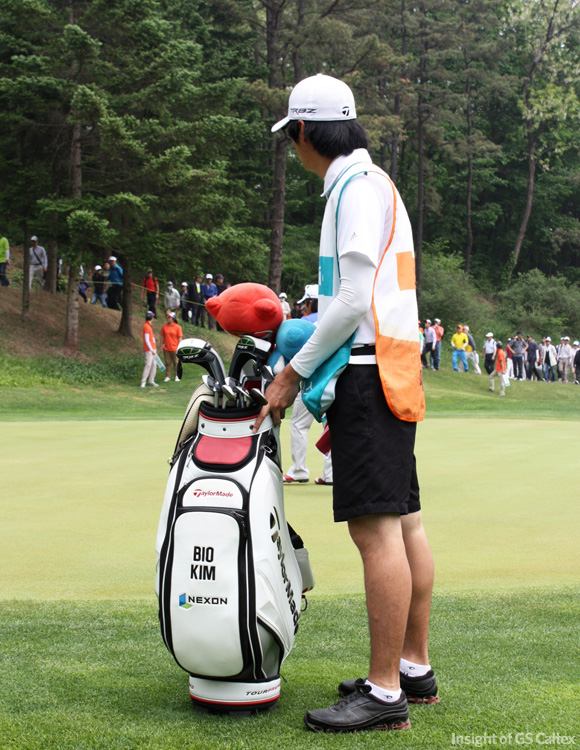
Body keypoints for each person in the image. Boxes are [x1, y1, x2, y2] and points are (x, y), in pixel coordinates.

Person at [256, 73, 436, 733]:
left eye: (292, 136)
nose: (293, 148)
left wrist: (292, 373)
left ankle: (385, 694)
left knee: (376, 531)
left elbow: (353, 298)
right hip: (390, 367)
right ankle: (412, 669)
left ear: (304, 131)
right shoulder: (372, 182)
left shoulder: (355, 188)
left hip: (366, 372)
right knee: (405, 522)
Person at [282, 285, 333, 486]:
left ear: (310, 303)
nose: (304, 307)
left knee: (299, 424)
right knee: (330, 425)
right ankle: (330, 474)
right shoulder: (334, 319)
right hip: (332, 378)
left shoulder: (302, 323)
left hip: (310, 379)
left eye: (305, 304)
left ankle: (299, 470)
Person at [160, 312, 183, 382]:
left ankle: (176, 375)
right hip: (166, 348)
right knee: (167, 362)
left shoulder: (178, 327)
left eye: (169, 317)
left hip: (175, 348)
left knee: (176, 362)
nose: (168, 319)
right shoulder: (164, 327)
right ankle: (168, 376)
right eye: (168, 317)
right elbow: (162, 337)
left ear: (173, 319)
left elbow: (180, 338)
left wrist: (180, 347)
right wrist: (161, 346)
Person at [141, 310, 159, 388]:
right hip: (149, 350)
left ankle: (151, 380)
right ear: (151, 318)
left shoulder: (149, 326)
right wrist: (151, 350)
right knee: (148, 364)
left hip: (153, 349)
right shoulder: (146, 326)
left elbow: (151, 339)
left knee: (154, 364)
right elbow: (147, 340)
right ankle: (143, 381)